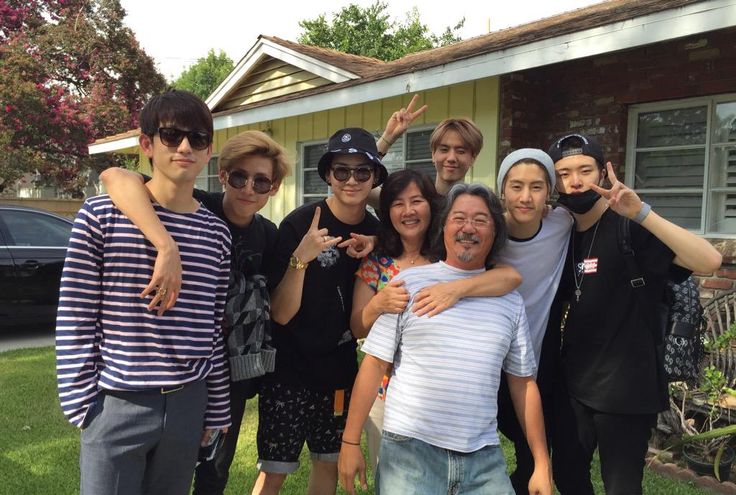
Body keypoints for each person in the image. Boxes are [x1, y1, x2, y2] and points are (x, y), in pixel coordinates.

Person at [56, 89, 232, 495]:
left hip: (188, 402)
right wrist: (83, 404)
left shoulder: (216, 234)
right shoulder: (101, 216)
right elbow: (76, 315)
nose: (185, 147)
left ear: (209, 151)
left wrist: (216, 407)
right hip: (116, 403)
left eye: (199, 139)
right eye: (171, 136)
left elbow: (212, 329)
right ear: (148, 145)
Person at [99, 129, 292, 495]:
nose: (249, 188)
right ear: (222, 175)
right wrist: (165, 245)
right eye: (239, 177)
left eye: (261, 181)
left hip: (232, 370)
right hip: (179, 367)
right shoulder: (197, 204)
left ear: (274, 187)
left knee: (214, 469)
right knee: (159, 470)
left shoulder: (269, 234)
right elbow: (114, 176)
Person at [339, 183, 552, 495]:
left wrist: (542, 463)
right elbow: (373, 364)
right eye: (458, 218)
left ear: (494, 232)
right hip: (409, 455)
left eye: (480, 220)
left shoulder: (509, 300)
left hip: (484, 459)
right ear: (443, 227)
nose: (468, 228)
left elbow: (522, 384)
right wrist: (349, 441)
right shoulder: (406, 284)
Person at [547, 133, 722, 494]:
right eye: (564, 174)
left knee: (621, 487)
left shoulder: (630, 228)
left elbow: (709, 260)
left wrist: (641, 212)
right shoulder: (560, 234)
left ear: (603, 172)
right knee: (567, 477)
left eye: (585, 170)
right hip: (575, 384)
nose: (575, 181)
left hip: (628, 390)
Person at [251, 128, 385, 495]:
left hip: (339, 372)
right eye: (342, 171)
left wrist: (376, 242)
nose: (351, 180)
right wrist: (301, 259)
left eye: (362, 172)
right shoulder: (299, 224)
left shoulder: (378, 233)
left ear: (374, 176)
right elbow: (279, 314)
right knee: (274, 471)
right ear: (327, 174)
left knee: (328, 466)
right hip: (288, 371)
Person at [492, 148, 573, 494]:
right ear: (502, 191)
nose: (526, 197)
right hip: (485, 366)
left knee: (532, 459)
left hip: (533, 366)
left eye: (537, 187)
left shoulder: (562, 222)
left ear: (550, 194)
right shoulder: (487, 232)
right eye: (516, 186)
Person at [369, 95, 482, 207]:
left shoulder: (478, 207)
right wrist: (388, 137)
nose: (451, 158)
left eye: (461, 151)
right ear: (433, 154)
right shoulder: (412, 202)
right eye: (444, 149)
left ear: (473, 158)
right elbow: (362, 187)